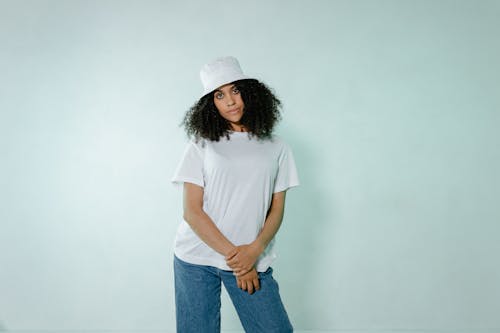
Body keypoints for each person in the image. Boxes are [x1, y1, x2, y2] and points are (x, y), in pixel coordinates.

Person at [171, 56, 299, 332]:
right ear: (211, 104)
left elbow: (276, 209)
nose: (229, 101)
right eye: (219, 95)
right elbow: (192, 211)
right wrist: (238, 259)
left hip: (251, 257)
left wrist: (253, 252)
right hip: (196, 257)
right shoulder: (201, 145)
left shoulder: (277, 147)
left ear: (250, 93)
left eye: (235, 90)